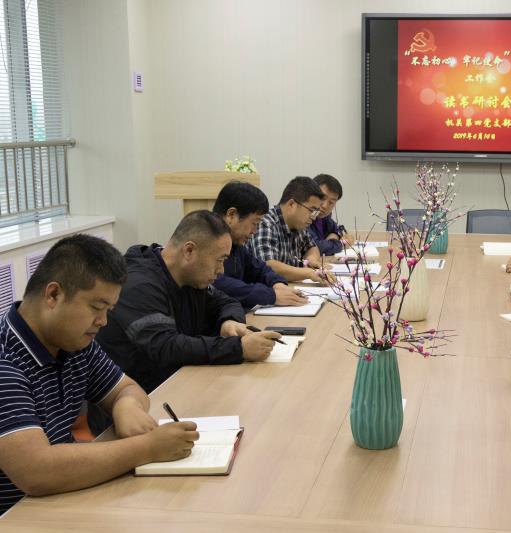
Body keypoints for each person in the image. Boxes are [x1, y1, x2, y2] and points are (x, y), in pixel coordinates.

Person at [0, 235, 199, 515]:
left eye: (108, 310)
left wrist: (126, 407)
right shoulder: (6, 361)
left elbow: (126, 388)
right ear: (53, 295)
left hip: (59, 500)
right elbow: (36, 470)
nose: (103, 321)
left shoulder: (73, 343)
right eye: (96, 307)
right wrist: (148, 448)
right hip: (16, 515)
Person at [95, 211, 279, 397]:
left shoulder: (189, 277)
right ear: (189, 251)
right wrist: (238, 348)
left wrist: (229, 321)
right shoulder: (138, 285)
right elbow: (166, 347)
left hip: (181, 384)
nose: (221, 270)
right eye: (219, 260)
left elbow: (227, 301)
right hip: (137, 400)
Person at [212, 180, 308, 308]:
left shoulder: (236, 245)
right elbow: (219, 283)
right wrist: (271, 295)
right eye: (254, 223)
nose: (255, 231)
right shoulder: (206, 240)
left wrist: (277, 284)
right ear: (231, 215)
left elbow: (259, 269)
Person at [249, 176, 332, 283]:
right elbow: (268, 266)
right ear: (292, 204)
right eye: (312, 210)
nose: (314, 217)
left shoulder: (299, 224)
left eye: (316, 212)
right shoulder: (266, 223)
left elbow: (311, 247)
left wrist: (311, 259)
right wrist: (308, 273)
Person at [309, 173, 348, 256]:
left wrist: (335, 235)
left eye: (331, 202)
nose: (325, 206)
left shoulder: (325, 218)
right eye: (322, 198)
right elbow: (316, 247)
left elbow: (338, 230)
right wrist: (342, 244)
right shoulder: (303, 217)